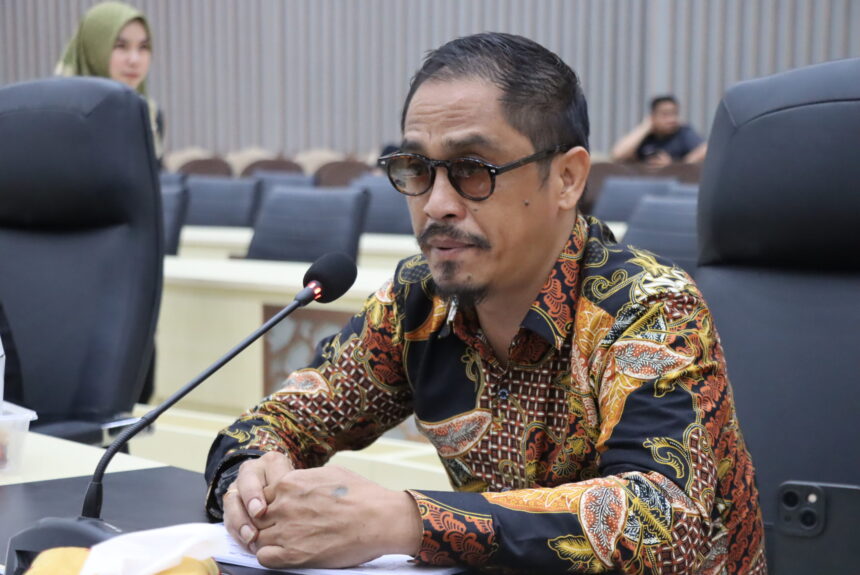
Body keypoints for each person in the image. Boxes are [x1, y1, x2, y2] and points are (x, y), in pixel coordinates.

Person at [205, 33, 766, 574]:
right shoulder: (415, 303)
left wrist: (407, 521)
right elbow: (276, 424)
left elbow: (661, 521)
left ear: (567, 178)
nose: (436, 204)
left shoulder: (649, 306)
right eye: (417, 169)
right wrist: (249, 479)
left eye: (472, 170)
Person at [55, 1, 164, 162]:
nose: (135, 60)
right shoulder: (60, 117)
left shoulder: (149, 115)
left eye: (143, 47)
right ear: (93, 50)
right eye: (121, 46)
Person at [611, 95, 706, 166]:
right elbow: (617, 155)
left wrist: (675, 165)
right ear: (653, 117)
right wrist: (644, 128)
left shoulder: (683, 132)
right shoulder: (645, 135)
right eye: (665, 115)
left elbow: (705, 150)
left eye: (674, 114)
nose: (671, 119)